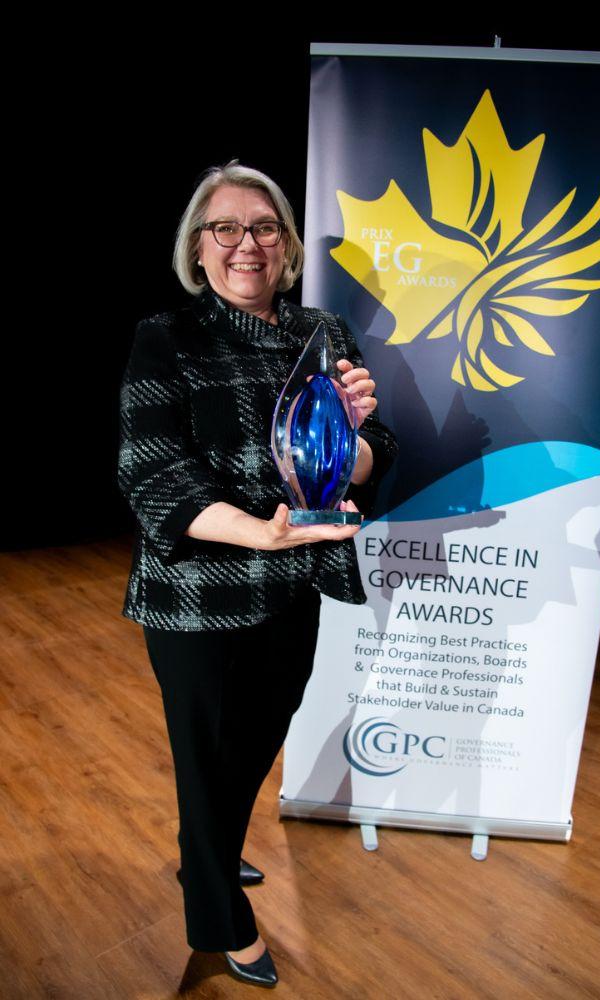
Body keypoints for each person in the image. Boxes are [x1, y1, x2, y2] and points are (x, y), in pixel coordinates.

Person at [117, 159, 397, 988]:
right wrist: (255, 534)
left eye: (265, 227)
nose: (248, 244)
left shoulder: (327, 336)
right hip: (197, 593)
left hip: (293, 587)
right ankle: (218, 914)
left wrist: (354, 440)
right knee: (205, 758)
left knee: (252, 745)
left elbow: (375, 464)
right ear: (198, 250)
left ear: (287, 244)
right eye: (226, 228)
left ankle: (209, 850)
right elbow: (151, 470)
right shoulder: (165, 336)